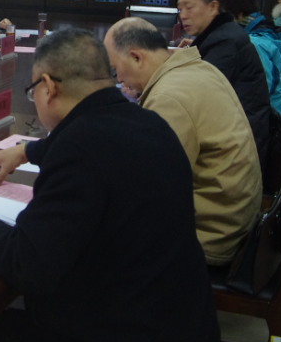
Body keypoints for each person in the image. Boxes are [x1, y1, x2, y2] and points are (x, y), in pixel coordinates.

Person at [0, 29, 220, 342]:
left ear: (48, 87)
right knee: (43, 319)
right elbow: (99, 143)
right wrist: (29, 150)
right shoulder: (150, 123)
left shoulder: (78, 151)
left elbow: (27, 264)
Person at [103, 18, 262, 267]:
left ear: (136, 57)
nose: (119, 79)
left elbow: (150, 192)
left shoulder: (168, 98)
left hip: (210, 236)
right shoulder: (198, 69)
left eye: (115, 70)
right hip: (232, 217)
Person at [177, 0, 270, 165]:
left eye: (189, 7)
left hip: (237, 152)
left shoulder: (226, 42)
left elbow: (197, 95)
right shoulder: (222, 33)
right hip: (235, 136)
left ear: (213, 7)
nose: (183, 15)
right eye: (180, 9)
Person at [223, 0, 281, 115]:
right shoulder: (258, 27)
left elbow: (258, 93)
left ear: (236, 12)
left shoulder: (256, 43)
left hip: (270, 116)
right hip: (267, 110)